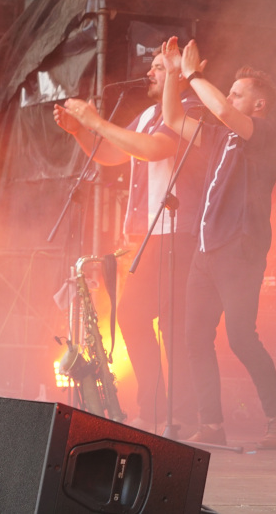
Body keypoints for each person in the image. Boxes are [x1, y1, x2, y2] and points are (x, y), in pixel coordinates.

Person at [53, 53, 204, 432]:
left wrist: (96, 122)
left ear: (179, 74)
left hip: (176, 233)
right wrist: (80, 132)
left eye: (159, 67)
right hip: (147, 237)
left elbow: (153, 149)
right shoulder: (150, 114)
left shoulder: (190, 109)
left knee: (170, 325)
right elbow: (113, 153)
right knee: (138, 319)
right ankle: (157, 409)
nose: (149, 73)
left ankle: (177, 414)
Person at [160, 37, 276, 449]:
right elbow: (172, 118)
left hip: (240, 248)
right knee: (194, 337)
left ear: (258, 104)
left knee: (240, 337)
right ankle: (212, 424)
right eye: (230, 91)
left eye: (238, 93)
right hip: (206, 250)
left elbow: (220, 108)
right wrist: (173, 76)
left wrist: (193, 74)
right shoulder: (221, 138)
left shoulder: (264, 133)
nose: (229, 97)